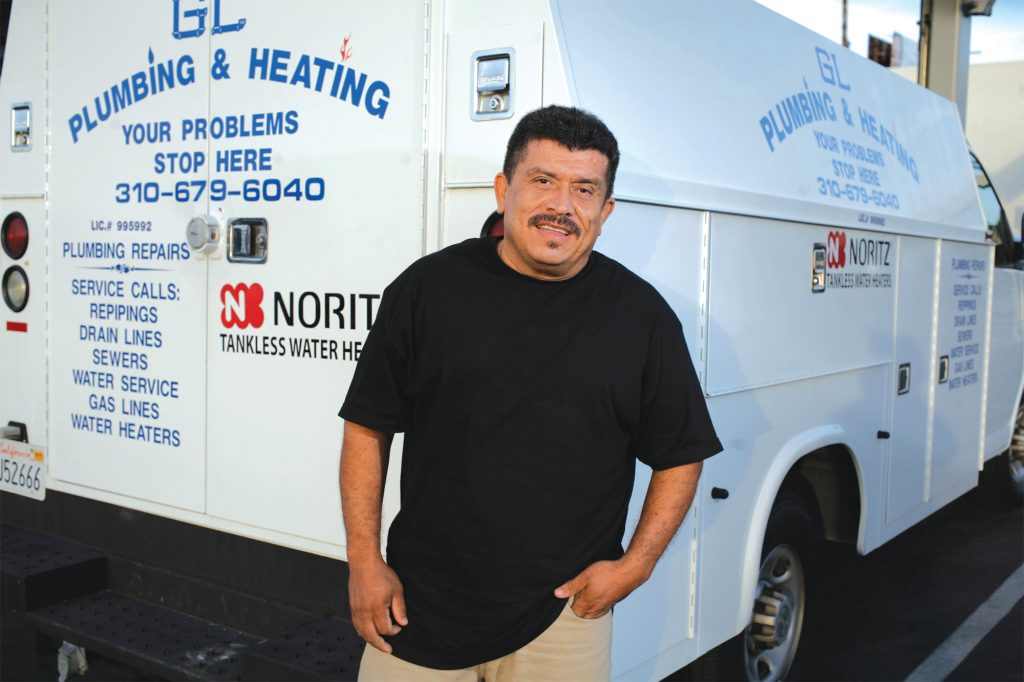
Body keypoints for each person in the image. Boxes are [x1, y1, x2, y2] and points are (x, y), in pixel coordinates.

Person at [339, 105, 722, 681]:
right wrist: (364, 561)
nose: (562, 207)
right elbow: (367, 428)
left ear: (606, 210)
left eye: (584, 190)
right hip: (420, 609)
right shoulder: (427, 291)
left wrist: (634, 567)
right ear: (503, 189)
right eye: (543, 181)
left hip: (563, 620)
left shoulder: (641, 317)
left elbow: (680, 453)